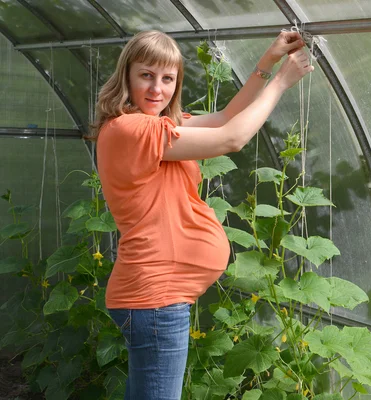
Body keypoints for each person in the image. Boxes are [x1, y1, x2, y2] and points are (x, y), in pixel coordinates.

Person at [87, 30, 313, 399]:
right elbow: (231, 139)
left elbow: (227, 116)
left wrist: (267, 63)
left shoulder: (157, 126)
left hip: (157, 298)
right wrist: (282, 83)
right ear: (126, 75)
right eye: (146, 75)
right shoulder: (132, 128)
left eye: (168, 78)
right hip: (155, 296)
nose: (157, 89)